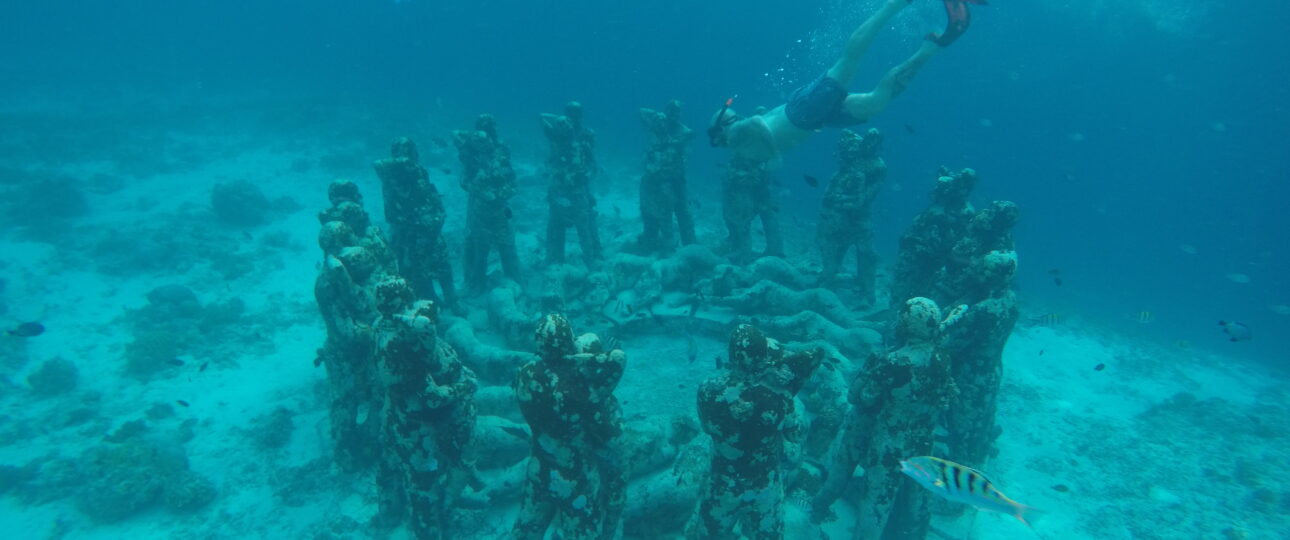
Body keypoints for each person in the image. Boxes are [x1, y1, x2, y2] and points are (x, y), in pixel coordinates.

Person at [708, 0, 986, 161]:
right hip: (814, 119)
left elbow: (756, 123)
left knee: (848, 62)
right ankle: (934, 46)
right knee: (875, 104)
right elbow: (759, 121)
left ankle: (895, 4)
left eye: (719, 136)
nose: (720, 144)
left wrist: (774, 156)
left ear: (721, 131)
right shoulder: (739, 143)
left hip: (802, 113)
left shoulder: (734, 136)